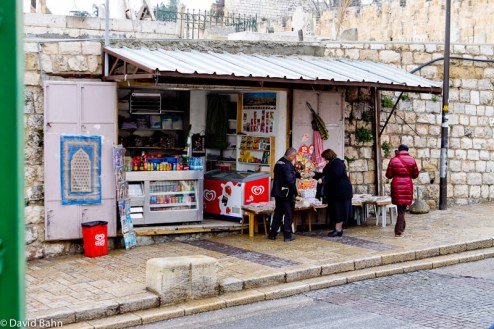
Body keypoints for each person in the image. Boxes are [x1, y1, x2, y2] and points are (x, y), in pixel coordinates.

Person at [317, 148, 353, 237]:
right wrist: (314, 174)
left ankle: (338, 230)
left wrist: (323, 179)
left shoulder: (337, 163)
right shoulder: (331, 164)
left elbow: (335, 174)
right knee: (335, 210)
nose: (324, 160)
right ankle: (337, 229)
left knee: (339, 211)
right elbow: (325, 174)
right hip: (335, 193)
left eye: (324, 158)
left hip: (341, 193)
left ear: (328, 157)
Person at [385, 144, 419, 237]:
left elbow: (388, 175)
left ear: (398, 150)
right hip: (407, 184)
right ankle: (399, 230)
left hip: (396, 185)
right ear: (407, 151)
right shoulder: (412, 160)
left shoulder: (393, 160)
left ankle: (400, 228)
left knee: (400, 209)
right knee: (402, 209)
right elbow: (415, 175)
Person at [269, 147, 298, 242]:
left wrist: (297, 174)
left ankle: (272, 233)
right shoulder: (287, 165)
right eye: (294, 156)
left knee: (278, 213)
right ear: (290, 155)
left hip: (278, 192)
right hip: (286, 193)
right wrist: (295, 192)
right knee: (288, 214)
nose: (294, 158)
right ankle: (287, 235)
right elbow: (290, 180)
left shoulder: (279, 162)